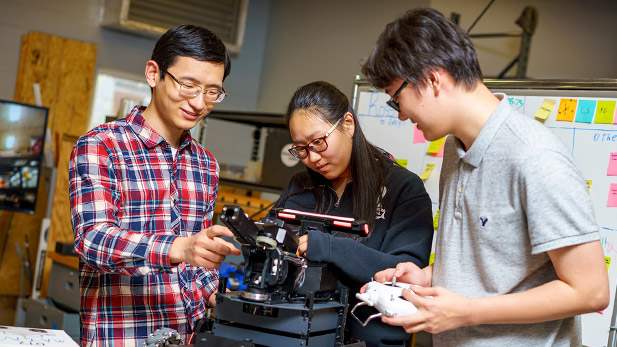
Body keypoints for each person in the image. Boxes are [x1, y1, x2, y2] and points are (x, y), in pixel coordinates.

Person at [360, 8, 610, 347]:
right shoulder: (454, 147)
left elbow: (591, 291)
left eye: (397, 99)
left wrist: (467, 312)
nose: (401, 113)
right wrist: (425, 276)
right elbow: (494, 264)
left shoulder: (535, 157)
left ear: (433, 78)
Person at [69, 25, 241, 346]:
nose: (199, 102)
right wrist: (178, 248)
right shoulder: (101, 145)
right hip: (120, 336)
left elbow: (198, 263)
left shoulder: (206, 164)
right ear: (153, 74)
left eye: (212, 92)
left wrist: (219, 295)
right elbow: (92, 240)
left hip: (186, 336)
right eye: (188, 85)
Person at [271, 81, 434, 346]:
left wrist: (329, 248)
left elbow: (406, 275)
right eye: (301, 148)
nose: (312, 158)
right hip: (292, 333)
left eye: (318, 142)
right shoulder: (300, 188)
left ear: (348, 123)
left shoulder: (401, 189)